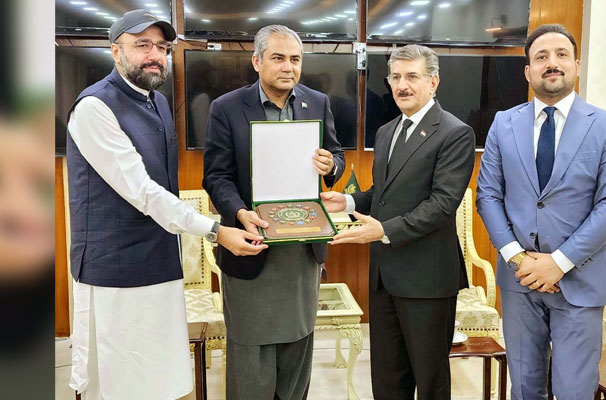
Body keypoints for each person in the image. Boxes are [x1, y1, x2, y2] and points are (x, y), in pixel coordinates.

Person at [65, 10, 267, 399]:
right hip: (115, 272)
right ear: (115, 51)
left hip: (159, 262)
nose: (155, 54)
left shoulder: (157, 101)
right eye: (142, 45)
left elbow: (164, 191)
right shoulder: (95, 107)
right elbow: (142, 191)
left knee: (160, 381)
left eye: (161, 46)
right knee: (121, 384)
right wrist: (215, 230)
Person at [476, 24, 606, 400]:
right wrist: (518, 258)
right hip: (520, 283)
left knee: (573, 391)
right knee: (525, 388)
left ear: (577, 65)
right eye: (541, 57)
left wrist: (558, 262)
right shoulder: (503, 123)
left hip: (580, 283)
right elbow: (487, 195)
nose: (552, 63)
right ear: (528, 71)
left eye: (561, 55)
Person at [321, 44, 475, 399]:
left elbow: (442, 204)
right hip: (384, 277)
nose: (402, 85)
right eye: (395, 77)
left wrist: (384, 230)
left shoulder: (454, 132)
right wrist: (344, 200)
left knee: (430, 381)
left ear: (433, 82)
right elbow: (383, 194)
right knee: (388, 381)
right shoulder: (387, 131)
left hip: (427, 280)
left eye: (412, 77)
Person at [202, 25, 345, 399]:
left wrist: (331, 166)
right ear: (257, 61)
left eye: (295, 59)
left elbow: (338, 157)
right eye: (278, 58)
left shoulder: (318, 102)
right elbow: (217, 176)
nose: (288, 67)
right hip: (252, 246)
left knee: (298, 351)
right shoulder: (227, 107)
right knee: (252, 360)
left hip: (301, 254)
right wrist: (238, 213)